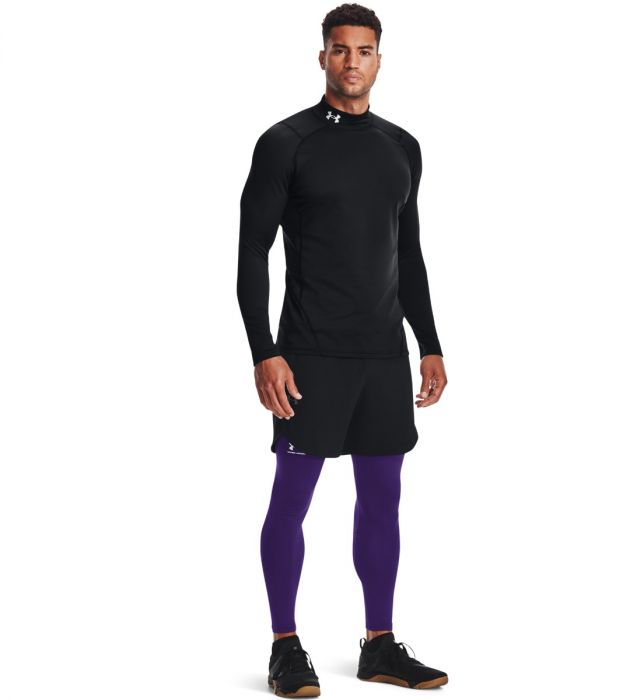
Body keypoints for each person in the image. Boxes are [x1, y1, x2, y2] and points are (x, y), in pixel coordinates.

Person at [237, 4, 449, 695]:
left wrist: (429, 343)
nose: (351, 61)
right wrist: (264, 351)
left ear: (379, 59)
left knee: (383, 502)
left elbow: (408, 255)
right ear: (322, 57)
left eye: (363, 50)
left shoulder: (402, 147)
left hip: (383, 357)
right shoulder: (286, 143)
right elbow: (251, 252)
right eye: (339, 49)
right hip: (310, 356)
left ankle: (379, 644)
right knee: (291, 501)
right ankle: (284, 646)